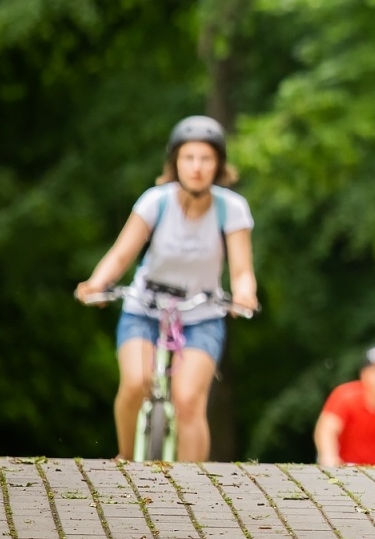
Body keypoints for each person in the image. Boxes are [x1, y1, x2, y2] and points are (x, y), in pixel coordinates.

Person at [75, 116, 259, 461]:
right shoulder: (155, 201)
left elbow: (241, 269)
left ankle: (194, 486)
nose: (197, 167)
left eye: (206, 159)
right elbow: (120, 255)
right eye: (188, 158)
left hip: (201, 313)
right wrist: (97, 283)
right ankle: (125, 460)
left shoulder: (231, 209)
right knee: (135, 383)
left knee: (188, 400)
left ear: (218, 164)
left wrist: (244, 295)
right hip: (144, 307)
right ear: (174, 161)